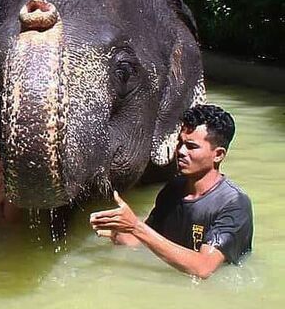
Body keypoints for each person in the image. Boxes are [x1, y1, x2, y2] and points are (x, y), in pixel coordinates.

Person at [90, 104, 253, 278]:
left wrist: (135, 226)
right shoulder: (173, 189)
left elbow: (203, 268)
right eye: (180, 143)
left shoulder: (234, 204)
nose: (181, 151)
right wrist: (119, 231)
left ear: (218, 154)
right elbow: (147, 238)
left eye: (191, 146)